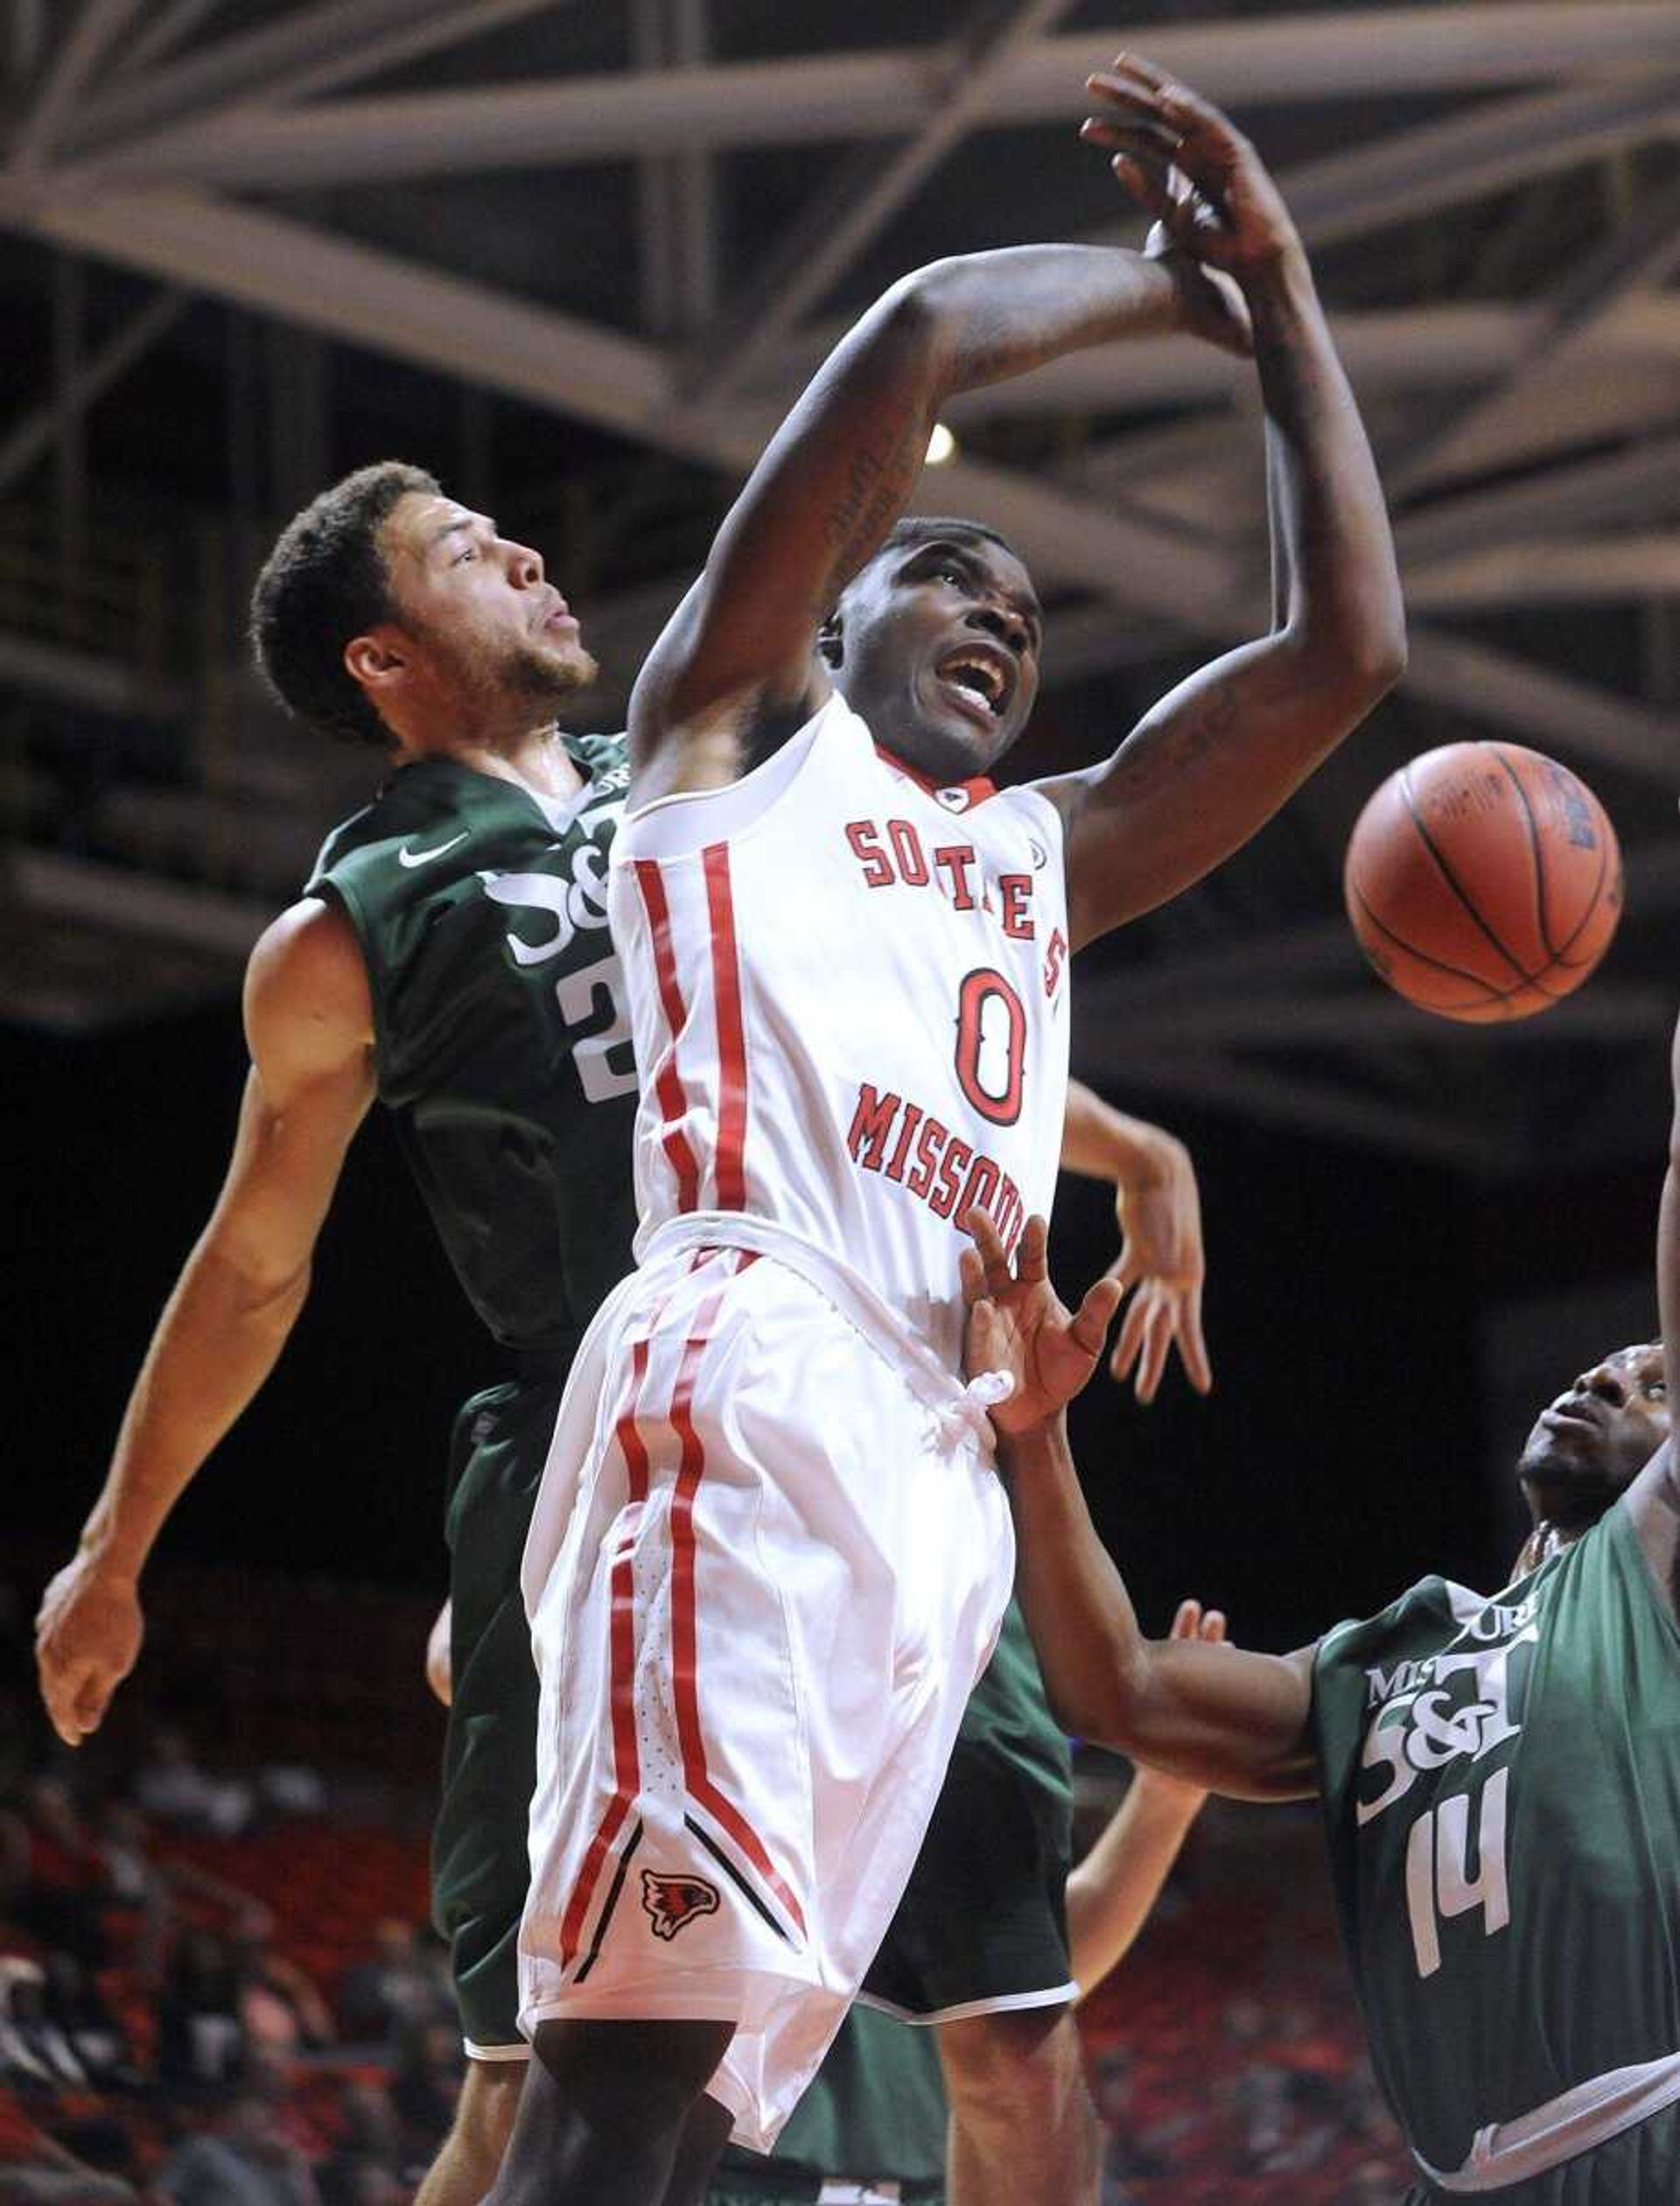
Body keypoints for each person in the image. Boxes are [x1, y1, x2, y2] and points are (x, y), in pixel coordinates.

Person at [34, 459, 1211, 2206]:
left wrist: (1133, 1148)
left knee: (1015, 2032)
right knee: (534, 2084)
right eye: (459, 551)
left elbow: (907, 1003)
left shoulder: (698, 766)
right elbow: (255, 1263)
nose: (519, 544)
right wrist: (117, 1548)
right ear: (383, 658)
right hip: (614, 1458)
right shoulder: (352, 929)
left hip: (844, 1430)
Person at [498, 51, 1401, 2206]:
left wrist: (1297, 323)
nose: (999, 608)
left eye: (1024, 602)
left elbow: (1347, 650)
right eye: (948, 576)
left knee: (738, 2082)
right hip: (748, 1364)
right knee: (621, 2077)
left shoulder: (1038, 858)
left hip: (941, 1482)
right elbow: (905, 342)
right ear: (827, 626)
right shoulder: (728, 743)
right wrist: (1179, 287)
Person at [959, 999, 1680, 2202]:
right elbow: (1116, 1689)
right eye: (1608, 1363)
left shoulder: (1647, 1579)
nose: (1607, 1371)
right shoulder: (1395, 1654)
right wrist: (1035, 1440)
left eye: (1657, 1383)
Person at [704, 1601, 1223, 2206]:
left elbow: (1029, 1976)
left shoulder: (964, 1706)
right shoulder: (767, 1690)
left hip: (929, 2187)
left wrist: (1166, 1799)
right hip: (742, 2177)